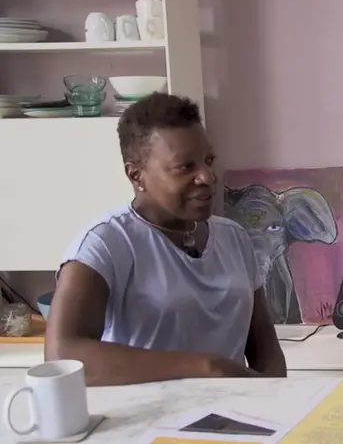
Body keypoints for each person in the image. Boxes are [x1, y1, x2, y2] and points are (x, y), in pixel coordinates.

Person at [45, 93, 287, 386]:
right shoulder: (104, 245)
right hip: (145, 413)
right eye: (185, 167)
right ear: (136, 175)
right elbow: (62, 355)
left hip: (235, 410)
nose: (207, 176)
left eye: (208, 161)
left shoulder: (234, 238)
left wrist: (272, 398)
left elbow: (267, 354)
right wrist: (205, 367)